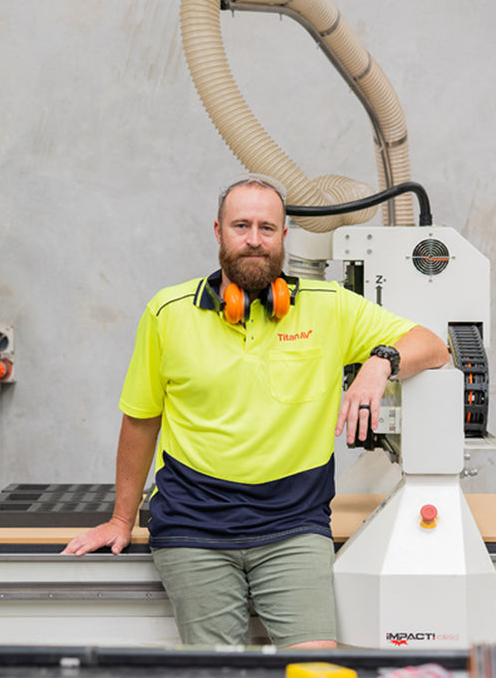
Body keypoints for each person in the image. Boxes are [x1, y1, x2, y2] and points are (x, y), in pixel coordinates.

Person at [63, 174, 450, 648]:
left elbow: (434, 346)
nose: (253, 240)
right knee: (219, 671)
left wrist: (379, 362)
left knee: (317, 667)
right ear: (218, 232)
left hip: (294, 528)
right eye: (240, 226)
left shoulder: (329, 308)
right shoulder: (168, 313)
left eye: (267, 228)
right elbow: (141, 420)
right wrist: (122, 520)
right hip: (193, 529)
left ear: (285, 236)